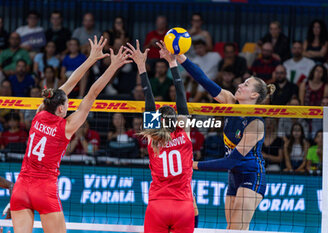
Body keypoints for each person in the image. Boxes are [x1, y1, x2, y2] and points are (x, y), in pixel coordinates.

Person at [10, 35, 131, 233]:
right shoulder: (66, 127)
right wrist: (113, 66)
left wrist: (91, 59)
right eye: (66, 104)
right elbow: (92, 93)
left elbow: (70, 82)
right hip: (44, 190)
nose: (68, 106)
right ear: (60, 110)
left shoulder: (39, 113)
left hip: (21, 188)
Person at [176, 51, 275, 229]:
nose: (240, 85)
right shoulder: (230, 102)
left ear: (254, 96)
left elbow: (232, 161)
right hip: (234, 177)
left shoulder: (255, 124)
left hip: (251, 176)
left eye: (246, 85)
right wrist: (180, 58)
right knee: (230, 229)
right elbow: (204, 80)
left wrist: (193, 164)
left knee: (237, 230)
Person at [126, 40, 194, 232]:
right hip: (183, 206)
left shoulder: (152, 136)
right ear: (177, 122)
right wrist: (172, 62)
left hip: (158, 205)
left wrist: (141, 65)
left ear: (156, 122)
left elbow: (149, 99)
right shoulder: (184, 133)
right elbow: (181, 94)